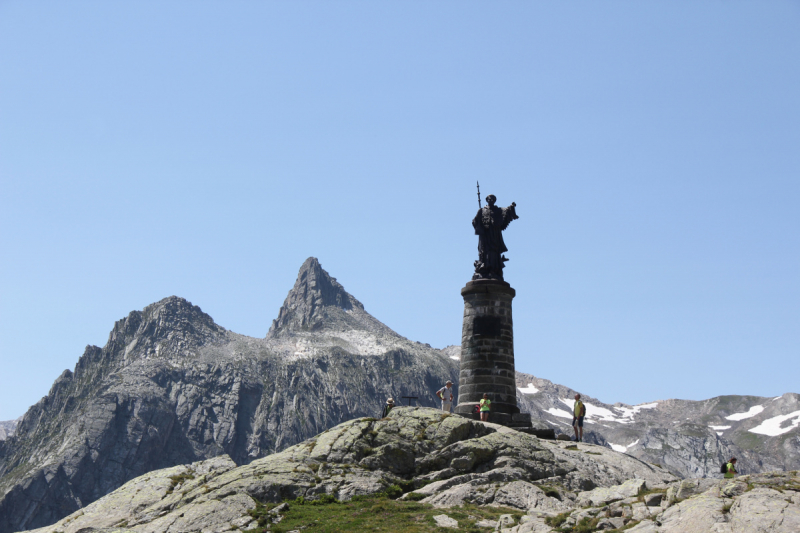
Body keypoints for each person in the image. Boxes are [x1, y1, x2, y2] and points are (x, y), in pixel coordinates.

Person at [472, 195, 518, 281]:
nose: (491, 200)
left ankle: (493, 269)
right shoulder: (481, 210)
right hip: (485, 235)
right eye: (489, 199)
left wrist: (511, 207)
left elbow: (506, 211)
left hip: (495, 234)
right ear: (487, 200)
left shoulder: (498, 210)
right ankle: (484, 267)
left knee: (494, 251)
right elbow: (474, 221)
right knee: (485, 250)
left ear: (494, 200)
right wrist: (479, 226)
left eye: (492, 199)